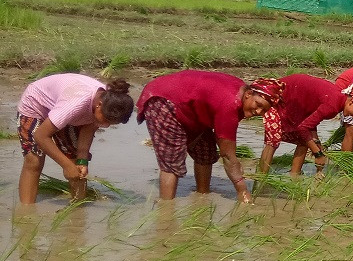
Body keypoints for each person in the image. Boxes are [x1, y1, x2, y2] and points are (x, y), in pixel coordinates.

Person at [137, 71, 283, 203]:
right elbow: (228, 156)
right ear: (249, 94)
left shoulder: (240, 97)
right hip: (163, 99)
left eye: (264, 110)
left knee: (206, 152)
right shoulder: (230, 104)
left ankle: (202, 196)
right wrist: (242, 190)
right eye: (258, 104)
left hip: (193, 108)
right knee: (172, 161)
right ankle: (166, 209)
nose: (258, 111)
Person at [17, 74, 135, 204]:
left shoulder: (107, 103)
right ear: (99, 105)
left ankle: (78, 207)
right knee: (34, 160)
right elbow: (41, 136)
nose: (106, 125)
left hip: (64, 113)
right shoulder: (76, 102)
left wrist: (82, 160)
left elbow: (88, 129)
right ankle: (27, 212)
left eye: (111, 124)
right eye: (106, 120)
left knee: (76, 162)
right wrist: (66, 166)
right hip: (37, 105)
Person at [257, 73, 353, 175]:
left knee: (304, 141)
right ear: (352, 102)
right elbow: (303, 128)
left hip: (298, 103)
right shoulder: (333, 105)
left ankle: (294, 175)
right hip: (284, 95)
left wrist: (316, 144)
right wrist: (317, 153)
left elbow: (310, 124)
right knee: (273, 140)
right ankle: (260, 180)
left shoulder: (337, 100)